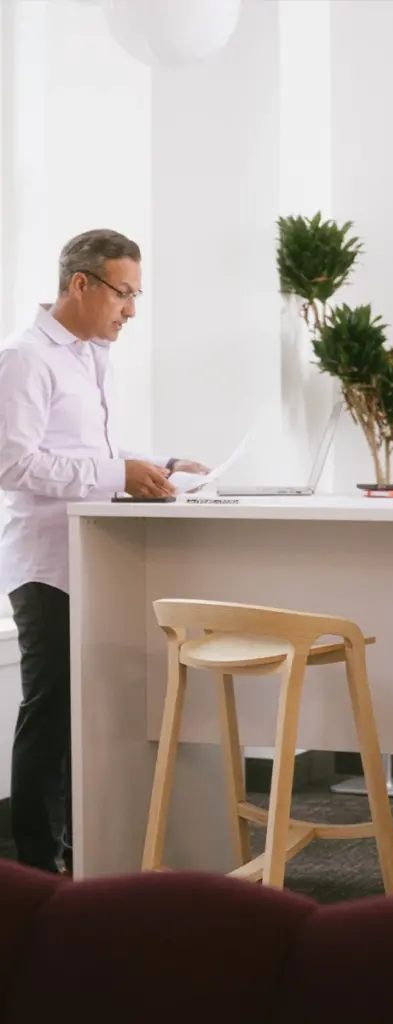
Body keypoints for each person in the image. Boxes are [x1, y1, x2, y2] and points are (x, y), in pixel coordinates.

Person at [0, 229, 208, 875]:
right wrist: (120, 476)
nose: (132, 311)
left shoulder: (93, 356)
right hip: (48, 566)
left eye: (137, 295)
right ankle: (36, 873)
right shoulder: (27, 359)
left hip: (92, 562)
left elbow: (90, 453)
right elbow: (13, 462)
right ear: (81, 284)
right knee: (51, 715)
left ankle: (74, 858)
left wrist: (158, 465)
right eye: (124, 293)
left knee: (78, 717)